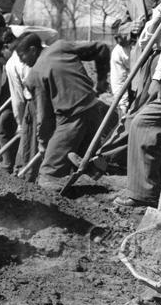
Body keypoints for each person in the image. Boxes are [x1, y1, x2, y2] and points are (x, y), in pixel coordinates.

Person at [69, 0, 161, 178]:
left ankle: (106, 162)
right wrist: (148, 22)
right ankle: (104, 160)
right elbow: (126, 30)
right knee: (132, 116)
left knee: (142, 119)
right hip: (147, 61)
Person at [114, 0, 161, 208]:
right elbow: (143, 39)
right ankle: (147, 190)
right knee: (137, 118)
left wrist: (160, 77)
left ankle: (150, 193)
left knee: (144, 122)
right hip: (157, 66)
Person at [18, 33, 111, 190]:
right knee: (86, 163)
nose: (22, 61)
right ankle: (94, 192)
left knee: (48, 176)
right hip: (93, 109)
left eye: (22, 56)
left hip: (71, 119)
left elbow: (43, 116)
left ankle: (54, 207)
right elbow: (101, 48)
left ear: (33, 50)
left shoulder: (34, 76)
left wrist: (43, 144)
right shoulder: (61, 46)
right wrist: (102, 79)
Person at [0, 12, 58, 172]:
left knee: (34, 132)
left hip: (40, 88)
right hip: (25, 86)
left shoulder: (21, 40)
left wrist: (20, 124)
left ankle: (27, 170)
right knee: (5, 123)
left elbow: (20, 101)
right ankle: (9, 166)